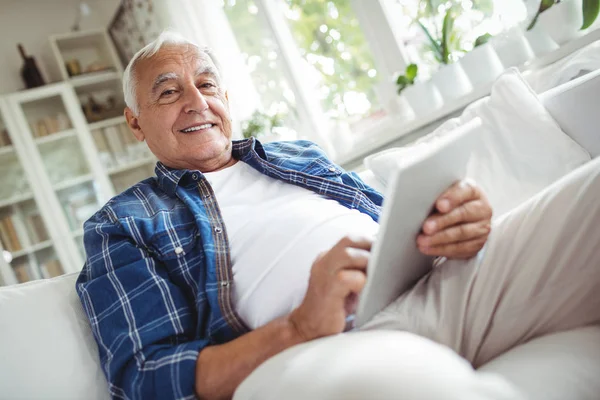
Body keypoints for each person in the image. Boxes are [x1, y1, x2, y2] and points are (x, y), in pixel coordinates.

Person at [76, 31, 600, 400]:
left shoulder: (297, 155)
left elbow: (390, 218)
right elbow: (142, 377)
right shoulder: (122, 223)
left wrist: (454, 224)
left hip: (437, 286)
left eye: (207, 85)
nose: (195, 101)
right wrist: (300, 325)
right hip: (311, 352)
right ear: (136, 123)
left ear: (226, 98)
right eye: (168, 91)